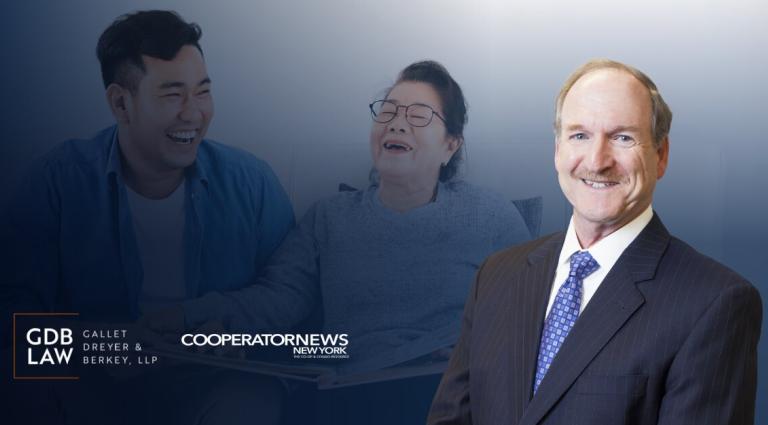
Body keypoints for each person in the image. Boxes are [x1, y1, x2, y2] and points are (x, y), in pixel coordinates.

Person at [162, 60, 534, 423]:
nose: (397, 124)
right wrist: (187, 317)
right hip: (355, 393)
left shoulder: (491, 215)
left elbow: (529, 310)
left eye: (418, 116)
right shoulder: (330, 218)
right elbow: (276, 299)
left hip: (452, 390)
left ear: (450, 146)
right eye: (387, 112)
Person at [427, 59, 763, 425]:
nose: (597, 161)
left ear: (661, 155)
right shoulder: (496, 275)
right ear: (558, 150)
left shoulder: (715, 302)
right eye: (579, 135)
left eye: (622, 138)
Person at [1, 10, 293, 424]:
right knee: (21, 374)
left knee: (253, 399)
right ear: (121, 102)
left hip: (214, 382)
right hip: (93, 382)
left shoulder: (251, 181)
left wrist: (232, 328)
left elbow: (291, 293)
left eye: (203, 92)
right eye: (172, 95)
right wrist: (104, 343)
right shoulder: (58, 182)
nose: (193, 114)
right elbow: (12, 317)